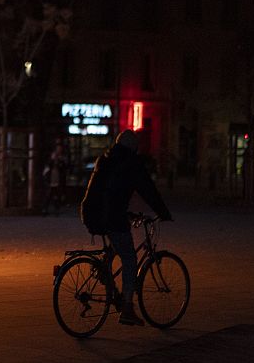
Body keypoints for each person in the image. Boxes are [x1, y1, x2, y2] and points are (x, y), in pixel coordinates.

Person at [80, 130, 172, 326]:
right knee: (130, 259)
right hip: (110, 216)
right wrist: (163, 212)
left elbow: (107, 192)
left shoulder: (105, 159)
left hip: (92, 214)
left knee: (116, 245)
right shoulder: (131, 163)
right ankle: (128, 308)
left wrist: (126, 214)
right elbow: (148, 190)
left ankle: (105, 275)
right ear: (133, 148)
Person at [41, 143, 69, 216]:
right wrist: (52, 159)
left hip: (57, 178)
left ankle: (56, 210)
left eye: (60, 149)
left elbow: (64, 168)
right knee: (48, 195)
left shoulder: (62, 159)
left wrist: (61, 161)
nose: (59, 151)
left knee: (56, 195)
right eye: (58, 149)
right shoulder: (51, 158)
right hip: (50, 178)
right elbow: (47, 167)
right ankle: (45, 209)